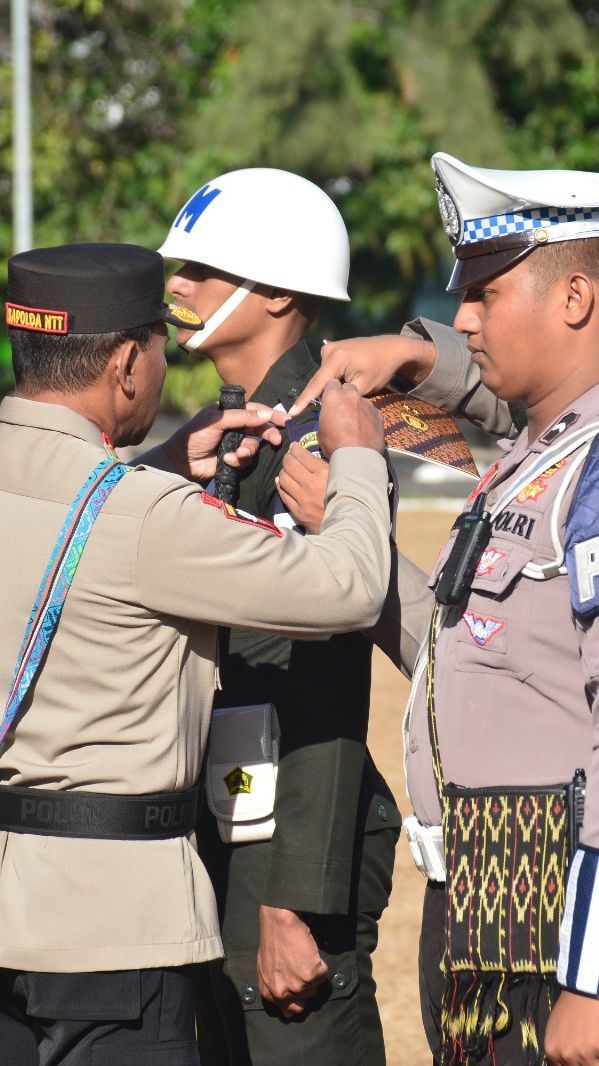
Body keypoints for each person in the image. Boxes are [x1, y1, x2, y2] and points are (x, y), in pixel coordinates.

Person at [0, 241, 392, 1066]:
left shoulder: (122, 498)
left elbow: (66, 532)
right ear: (125, 365)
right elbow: (347, 588)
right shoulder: (148, 515)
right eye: (154, 343)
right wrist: (356, 459)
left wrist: (159, 469)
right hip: (109, 935)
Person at [282, 152, 599, 1066]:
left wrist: (589, 972)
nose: (461, 317)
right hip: (487, 895)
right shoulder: (537, 447)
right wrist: (417, 358)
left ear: (573, 299)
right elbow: (471, 647)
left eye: (486, 294)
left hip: (552, 912)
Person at [149, 167, 400, 1066]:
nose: (175, 287)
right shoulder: (215, 435)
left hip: (289, 849)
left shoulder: (319, 442)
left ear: (279, 292)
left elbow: (328, 687)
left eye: (202, 271)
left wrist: (292, 900)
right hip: (215, 829)